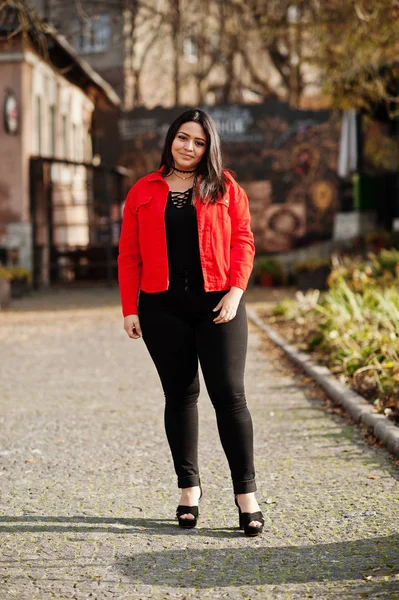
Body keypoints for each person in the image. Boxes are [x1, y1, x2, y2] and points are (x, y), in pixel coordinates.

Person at [118, 108, 264, 537]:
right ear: (171, 139)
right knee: (179, 396)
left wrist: (236, 291)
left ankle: (246, 496)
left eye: (199, 142)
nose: (189, 147)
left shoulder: (225, 187)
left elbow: (243, 240)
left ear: (208, 148)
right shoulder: (143, 190)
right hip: (161, 308)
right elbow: (129, 255)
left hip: (220, 305)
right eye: (183, 138)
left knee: (230, 395)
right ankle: (189, 489)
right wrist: (130, 308)